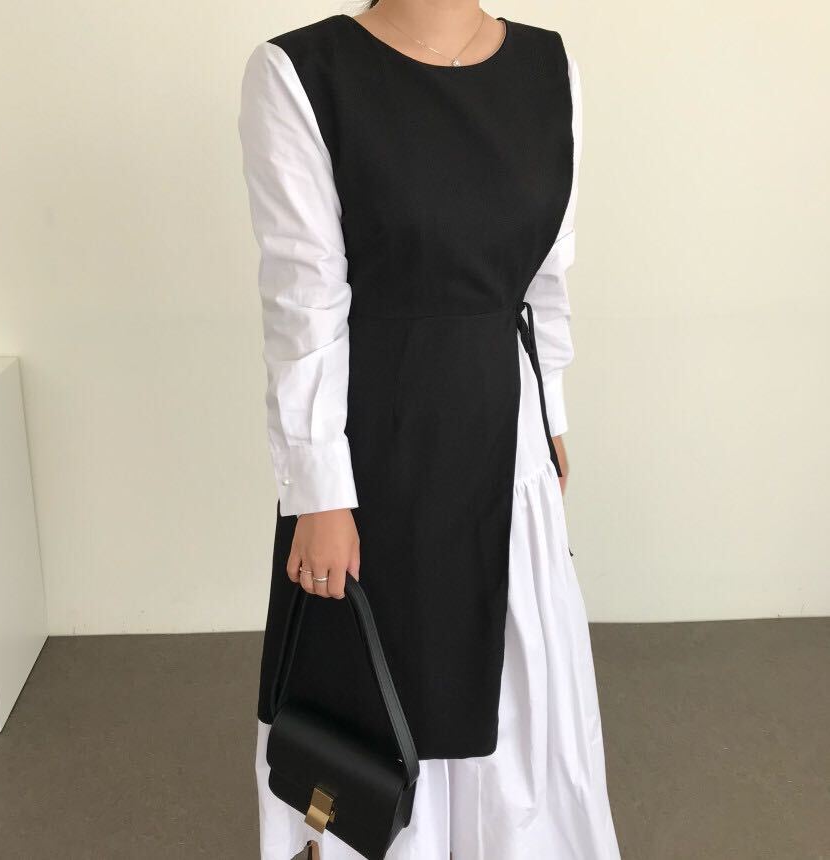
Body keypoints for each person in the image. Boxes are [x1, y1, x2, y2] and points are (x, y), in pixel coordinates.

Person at [237, 2, 620, 857]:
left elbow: (547, 273)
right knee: (386, 681)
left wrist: (551, 407)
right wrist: (318, 492)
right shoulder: (301, 74)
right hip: (379, 447)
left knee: (512, 678)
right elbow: (303, 301)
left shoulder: (548, 68)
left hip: (505, 431)